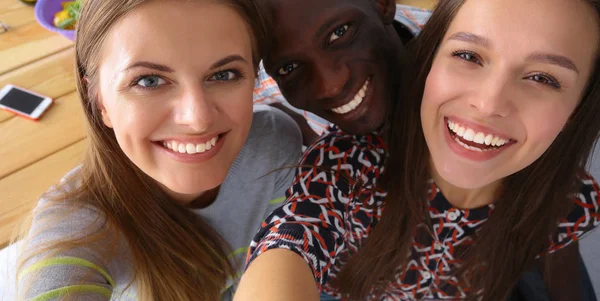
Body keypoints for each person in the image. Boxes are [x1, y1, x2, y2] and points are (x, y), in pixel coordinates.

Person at [234, 0, 600, 300]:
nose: (489, 104)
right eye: (469, 56)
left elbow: (557, 258)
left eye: (543, 78)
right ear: (433, 55)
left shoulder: (569, 197)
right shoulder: (344, 165)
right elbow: (296, 233)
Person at [15, 0, 301, 300]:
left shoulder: (273, 146)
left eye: (224, 74)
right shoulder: (74, 230)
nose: (197, 118)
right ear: (100, 102)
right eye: (148, 81)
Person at [252, 0, 431, 144]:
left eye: (339, 33)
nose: (330, 87)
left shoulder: (448, 45)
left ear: (382, 4)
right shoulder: (265, 83)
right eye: (289, 68)